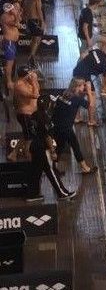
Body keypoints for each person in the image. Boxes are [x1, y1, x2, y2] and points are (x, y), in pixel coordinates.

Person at [15, 66, 76, 202]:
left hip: (36, 144)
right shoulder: (43, 118)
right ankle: (62, 193)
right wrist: (53, 151)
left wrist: (34, 80)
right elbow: (46, 136)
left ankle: (32, 194)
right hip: (39, 146)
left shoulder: (37, 115)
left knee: (36, 170)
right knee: (50, 169)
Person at [51, 77, 94, 174]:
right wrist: (89, 92)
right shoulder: (77, 99)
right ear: (78, 87)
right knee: (70, 146)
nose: (84, 87)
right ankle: (84, 168)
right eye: (83, 86)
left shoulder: (64, 93)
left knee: (63, 146)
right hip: (65, 127)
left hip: (57, 124)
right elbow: (90, 105)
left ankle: (55, 168)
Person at [72, 46, 106, 126]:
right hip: (84, 75)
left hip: (78, 69)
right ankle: (91, 121)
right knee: (92, 95)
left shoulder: (97, 51)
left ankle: (76, 117)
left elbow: (83, 55)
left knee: (79, 94)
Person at [22, 0, 46, 66]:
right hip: (36, 21)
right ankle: (31, 57)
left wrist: (25, 21)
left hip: (29, 21)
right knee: (37, 39)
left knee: (33, 39)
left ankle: (32, 56)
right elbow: (39, 12)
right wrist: (42, 22)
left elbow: (24, 10)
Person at [1, 2, 21, 93]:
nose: (14, 9)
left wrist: (16, 14)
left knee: (12, 63)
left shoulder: (10, 15)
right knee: (9, 64)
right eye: (13, 8)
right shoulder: (5, 17)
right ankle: (8, 82)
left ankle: (9, 80)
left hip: (12, 43)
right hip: (9, 43)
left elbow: (19, 22)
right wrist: (16, 15)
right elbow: (17, 24)